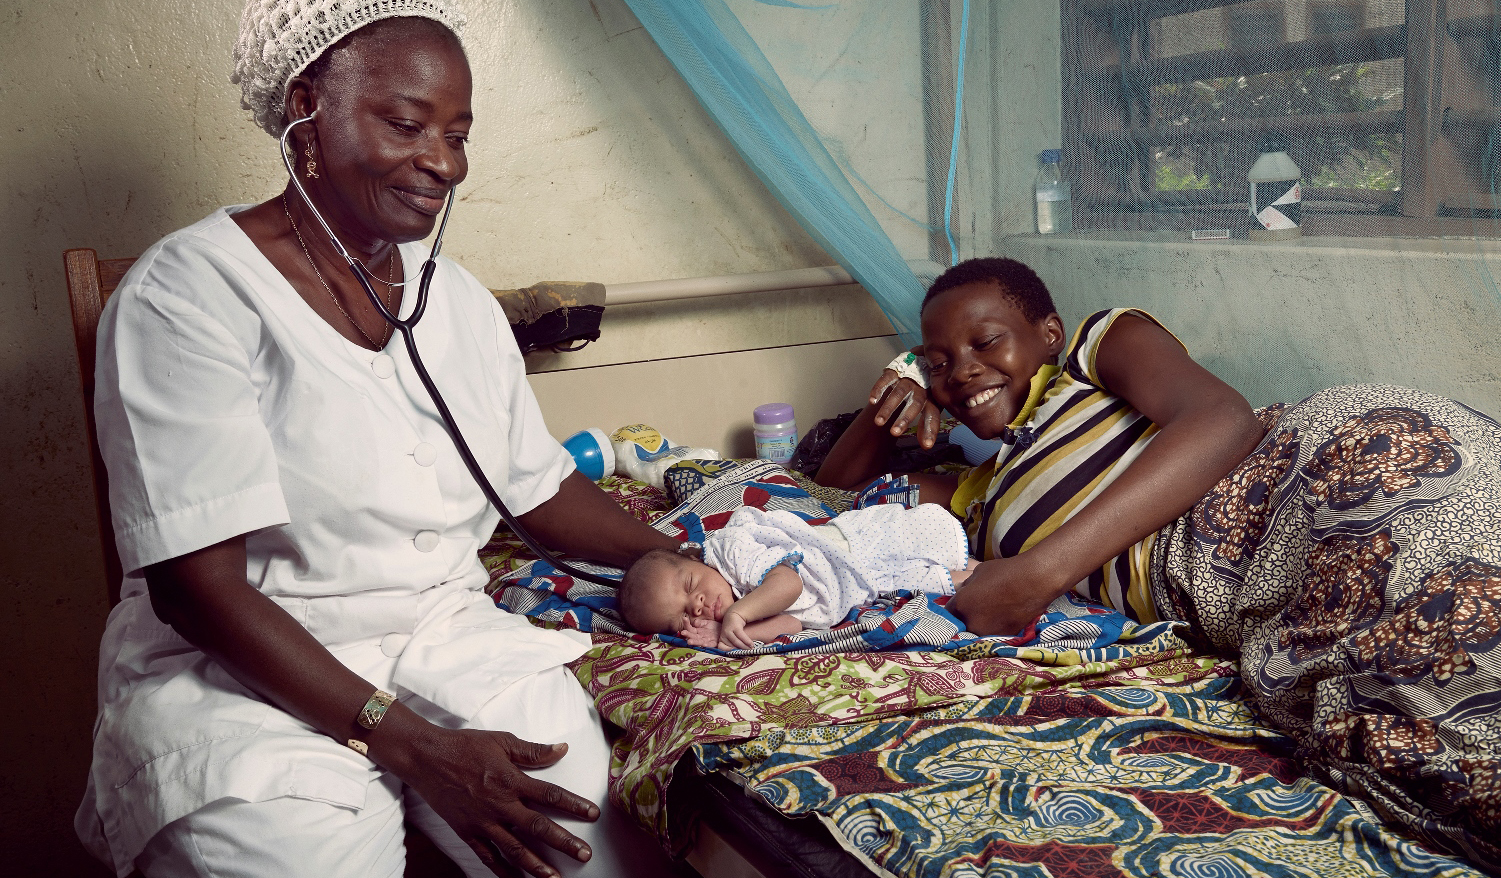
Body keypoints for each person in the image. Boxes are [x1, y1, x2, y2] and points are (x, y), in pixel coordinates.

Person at [74, 4, 684, 877]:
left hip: (444, 636)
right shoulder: (187, 295)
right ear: (305, 110)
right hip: (248, 673)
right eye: (406, 124)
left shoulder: (458, 302)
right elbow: (196, 591)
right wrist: (417, 749)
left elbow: (535, 485)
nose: (442, 162)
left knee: (579, 845)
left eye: (458, 135)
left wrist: (676, 557)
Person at [815, 256, 1501, 871]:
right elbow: (831, 485)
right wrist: (899, 385)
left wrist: (1038, 573)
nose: (961, 369)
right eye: (939, 362)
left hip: (1310, 469)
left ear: (1047, 334)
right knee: (1420, 715)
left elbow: (1223, 419)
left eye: (984, 341)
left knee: (1454, 591)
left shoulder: (1094, 347)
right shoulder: (974, 498)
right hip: (1246, 581)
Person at [619, 503, 978, 649]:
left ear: (696, 559)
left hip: (854, 552)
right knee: (960, 583)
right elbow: (790, 625)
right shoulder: (727, 611)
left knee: (966, 566)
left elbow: (789, 584)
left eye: (689, 586)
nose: (695, 606)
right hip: (864, 588)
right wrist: (723, 637)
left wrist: (737, 615)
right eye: (681, 617)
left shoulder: (730, 553)